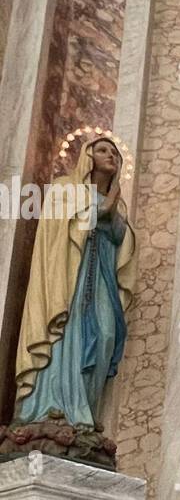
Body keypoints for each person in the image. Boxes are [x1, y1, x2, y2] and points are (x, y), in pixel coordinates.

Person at [13, 136, 136, 433]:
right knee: (66, 335)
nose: (112, 157)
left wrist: (113, 212)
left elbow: (122, 240)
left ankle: (86, 410)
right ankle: (51, 405)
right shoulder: (64, 188)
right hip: (69, 278)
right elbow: (56, 231)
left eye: (116, 154)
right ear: (88, 156)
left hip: (102, 278)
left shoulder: (117, 203)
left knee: (106, 334)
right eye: (104, 150)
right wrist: (103, 208)